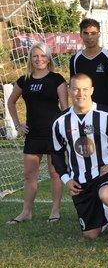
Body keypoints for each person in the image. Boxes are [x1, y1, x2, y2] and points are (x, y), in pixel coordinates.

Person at [51, 73, 108, 246]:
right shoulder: (60, 121)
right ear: (69, 90)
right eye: (76, 89)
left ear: (92, 90)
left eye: (85, 89)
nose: (80, 93)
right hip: (80, 181)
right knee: (90, 235)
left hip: (104, 174)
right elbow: (56, 153)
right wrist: (66, 179)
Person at [6, 42, 67, 225]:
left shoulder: (57, 79)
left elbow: (65, 109)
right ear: (30, 59)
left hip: (53, 133)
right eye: (35, 56)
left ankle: (55, 211)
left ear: (49, 58)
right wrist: (17, 125)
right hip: (33, 134)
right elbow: (10, 102)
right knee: (29, 175)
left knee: (55, 173)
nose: (39, 59)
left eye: (43, 56)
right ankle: (26, 212)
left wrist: (65, 132)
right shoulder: (24, 80)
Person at [70, 18, 108, 108]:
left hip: (107, 110)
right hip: (84, 111)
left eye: (93, 33)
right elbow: (74, 88)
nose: (89, 37)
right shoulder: (75, 60)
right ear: (81, 35)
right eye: (86, 33)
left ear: (99, 34)